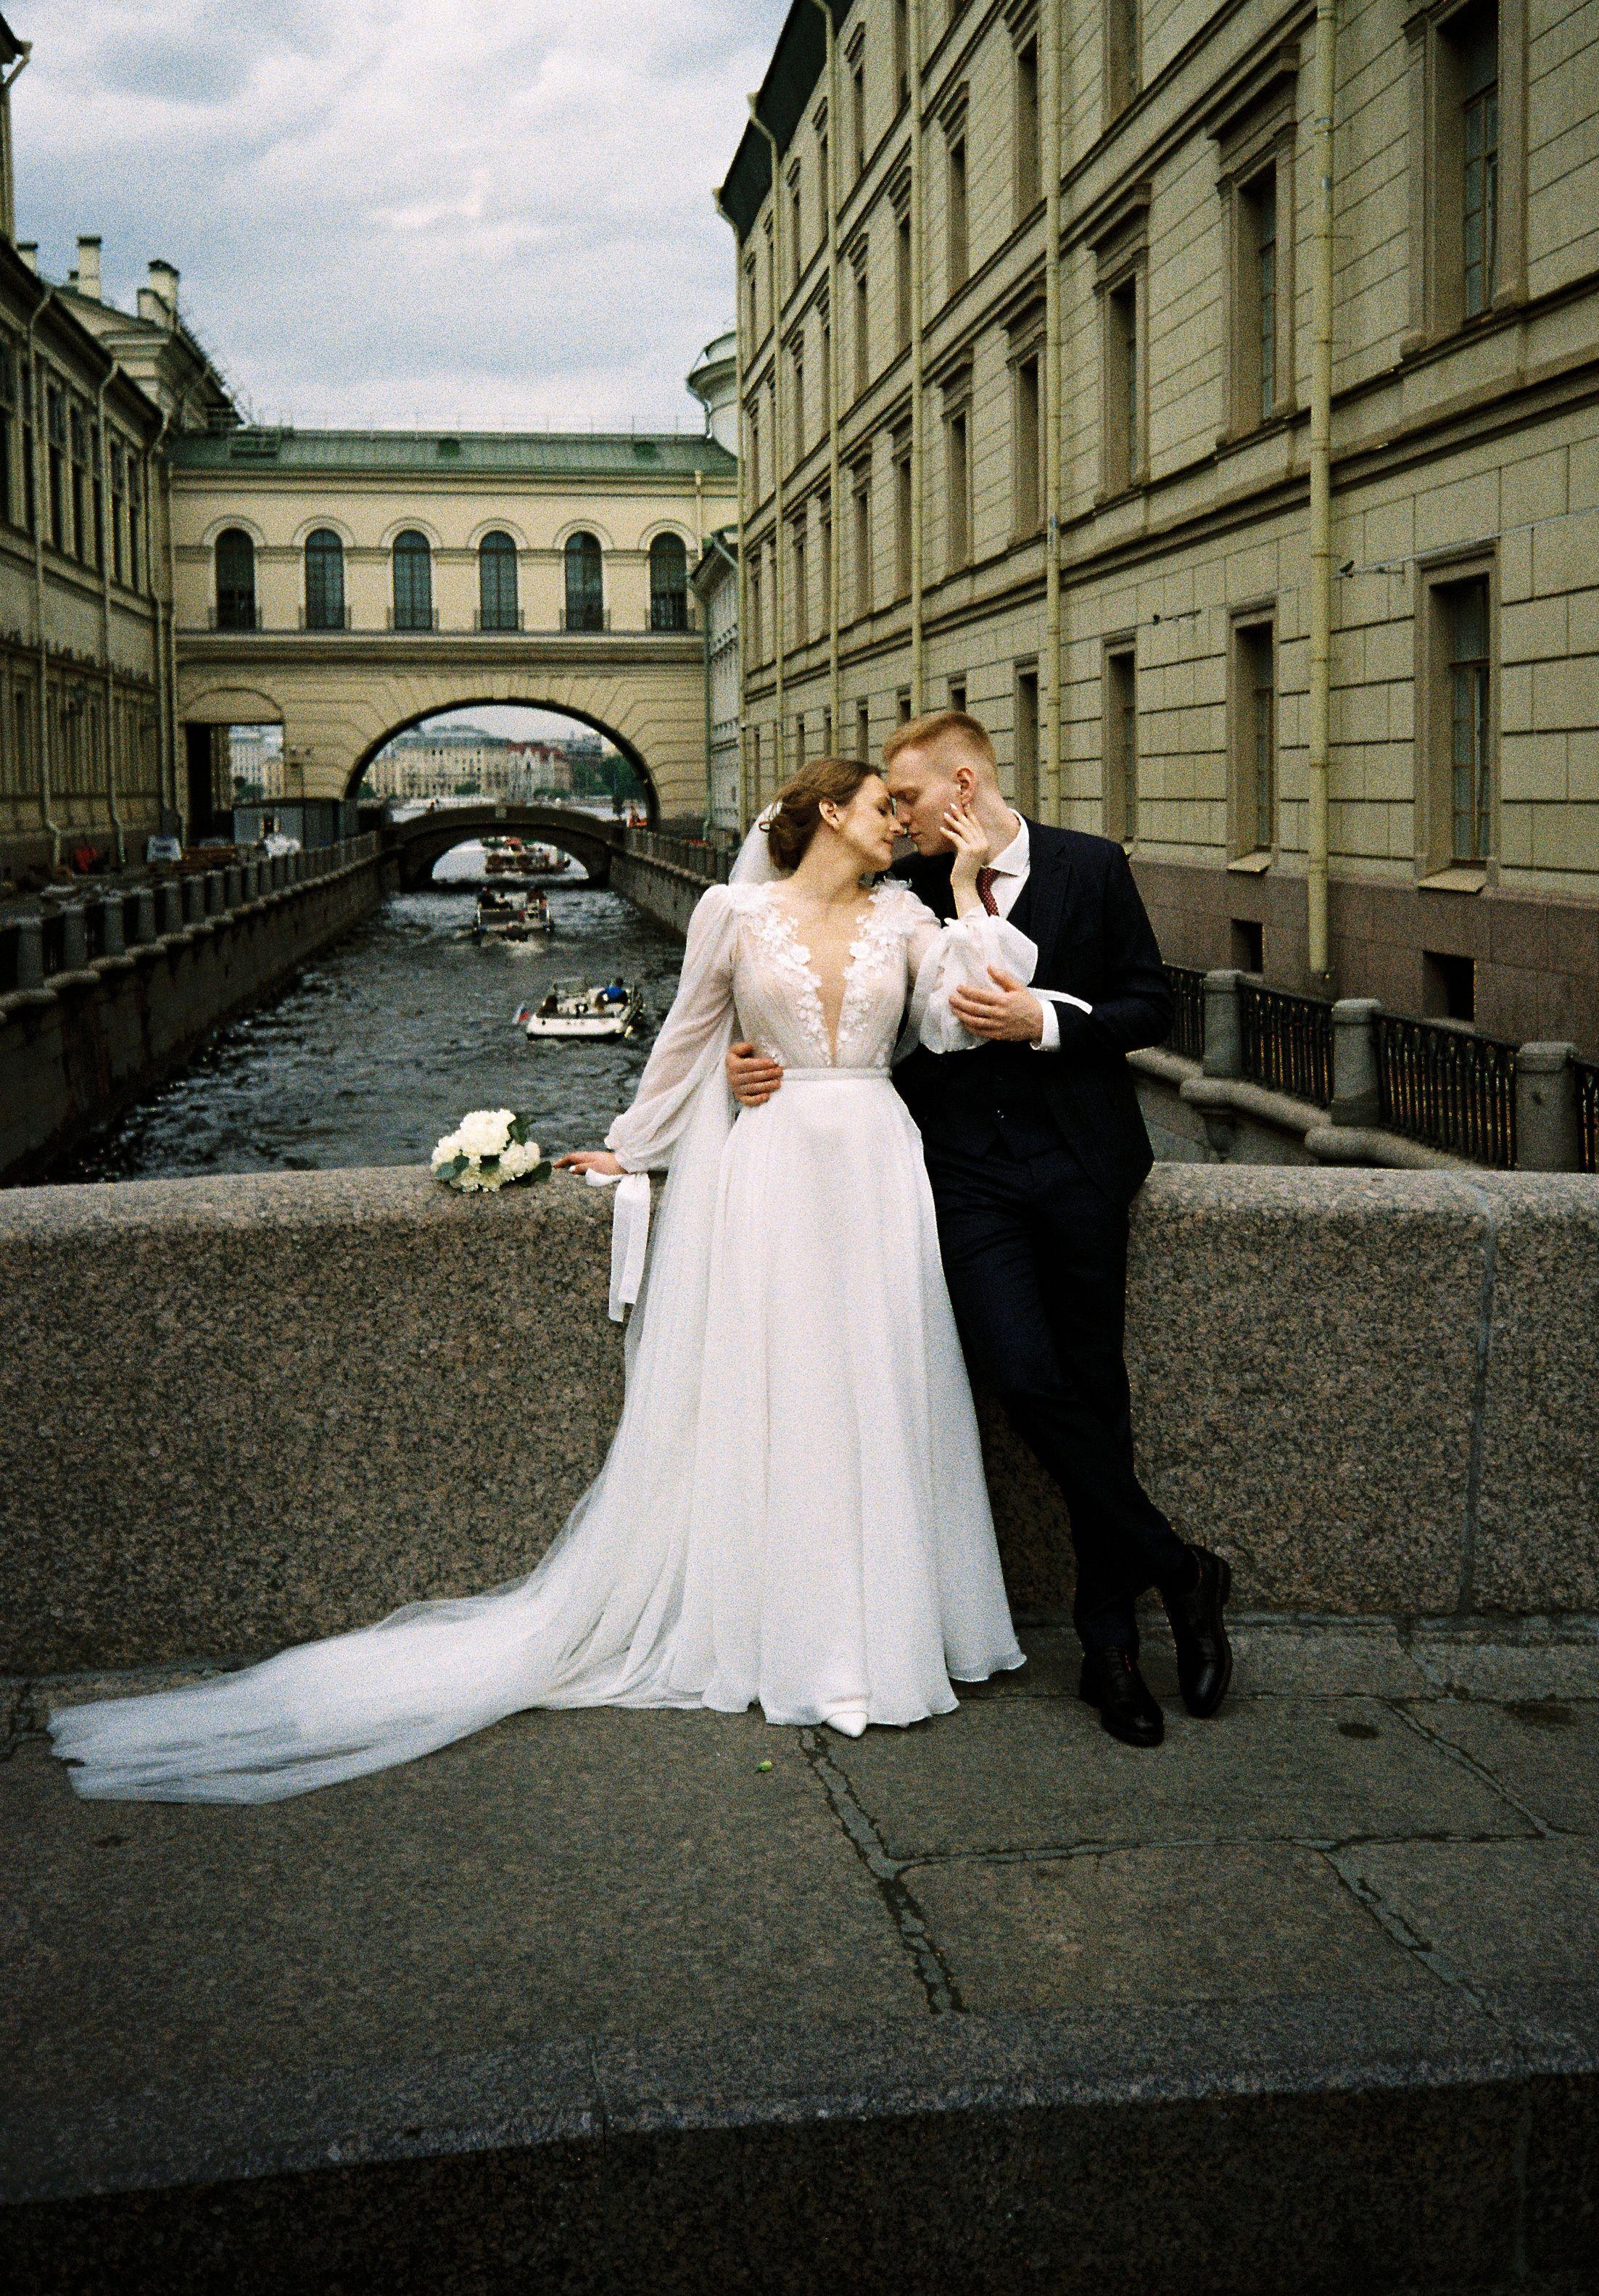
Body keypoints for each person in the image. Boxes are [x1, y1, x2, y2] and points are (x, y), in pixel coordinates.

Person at [49, 760, 1029, 1804]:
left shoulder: (908, 915)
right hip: (775, 1167)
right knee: (780, 1396)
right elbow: (685, 1041)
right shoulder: (733, 913)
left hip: (876, 1162)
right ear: (830, 811)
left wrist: (967, 888)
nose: (901, 823)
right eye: (884, 806)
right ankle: (798, 1640)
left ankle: (882, 1635)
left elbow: (963, 1017)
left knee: (879, 1384)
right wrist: (633, 1146)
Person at [729, 713, 1232, 1751]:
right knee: (1019, 1372)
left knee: (1093, 1387)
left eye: (908, 798)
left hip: (1083, 1166)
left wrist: (1046, 1023)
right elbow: (836, 992)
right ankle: (1181, 1567)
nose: (897, 817)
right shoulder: (905, 888)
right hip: (962, 1174)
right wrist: (753, 1057)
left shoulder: (1090, 867)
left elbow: (1149, 1005)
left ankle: (1109, 1647)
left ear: (963, 787)